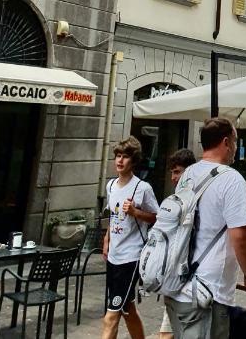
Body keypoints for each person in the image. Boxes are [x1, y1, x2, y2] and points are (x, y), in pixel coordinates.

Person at [163, 117, 246, 339]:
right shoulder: (232, 180)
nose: (235, 148)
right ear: (226, 142)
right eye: (235, 140)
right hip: (209, 291)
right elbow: (241, 236)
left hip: (179, 281)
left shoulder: (187, 176)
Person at [102, 136, 159, 339]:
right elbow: (112, 216)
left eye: (125, 157)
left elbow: (157, 217)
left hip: (132, 257)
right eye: (118, 156)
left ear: (133, 161)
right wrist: (107, 240)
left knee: (111, 315)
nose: (120, 161)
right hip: (114, 256)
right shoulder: (111, 186)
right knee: (127, 309)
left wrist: (136, 212)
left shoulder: (142, 188)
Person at [157, 148, 197, 339]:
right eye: (172, 172)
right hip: (173, 278)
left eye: (177, 171)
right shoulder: (174, 201)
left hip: (189, 281)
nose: (173, 178)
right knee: (167, 333)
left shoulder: (195, 202)